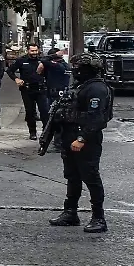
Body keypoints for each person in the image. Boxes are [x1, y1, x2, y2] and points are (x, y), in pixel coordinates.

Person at [45, 53, 112, 233]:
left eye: (78, 67)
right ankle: (70, 213)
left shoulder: (97, 89)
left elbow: (96, 119)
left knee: (91, 177)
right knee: (72, 176)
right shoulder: (79, 85)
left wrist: (82, 138)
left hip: (85, 139)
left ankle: (98, 218)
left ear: (88, 69)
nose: (75, 70)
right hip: (69, 136)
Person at [7, 43, 50, 140]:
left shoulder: (43, 60)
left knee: (44, 111)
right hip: (27, 89)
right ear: (28, 51)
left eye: (36, 50)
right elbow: (10, 71)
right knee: (30, 112)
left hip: (41, 89)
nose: (34, 53)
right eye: (32, 51)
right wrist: (16, 79)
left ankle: (46, 132)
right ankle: (32, 132)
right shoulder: (21, 60)